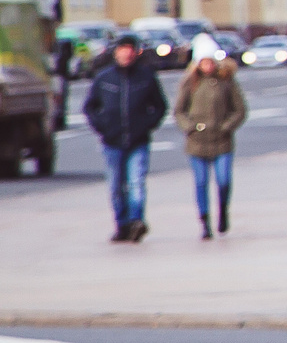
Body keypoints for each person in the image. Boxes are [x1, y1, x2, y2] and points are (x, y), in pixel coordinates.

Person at [84, 34, 167, 242]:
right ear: (116, 52)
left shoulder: (145, 77)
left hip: (138, 140)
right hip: (112, 141)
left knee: (136, 182)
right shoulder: (104, 78)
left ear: (136, 53)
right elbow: (90, 107)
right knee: (116, 185)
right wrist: (102, 126)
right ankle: (121, 225)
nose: (126, 54)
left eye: (130, 50)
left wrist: (147, 125)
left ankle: (136, 221)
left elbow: (159, 106)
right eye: (123, 50)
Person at [175, 38, 247, 239]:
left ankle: (223, 211)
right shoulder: (189, 83)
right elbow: (179, 111)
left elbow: (239, 110)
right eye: (203, 62)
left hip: (221, 140)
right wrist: (189, 127)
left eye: (210, 61)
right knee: (201, 182)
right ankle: (205, 221)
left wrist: (226, 127)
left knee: (223, 180)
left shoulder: (226, 81)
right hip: (197, 141)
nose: (207, 66)